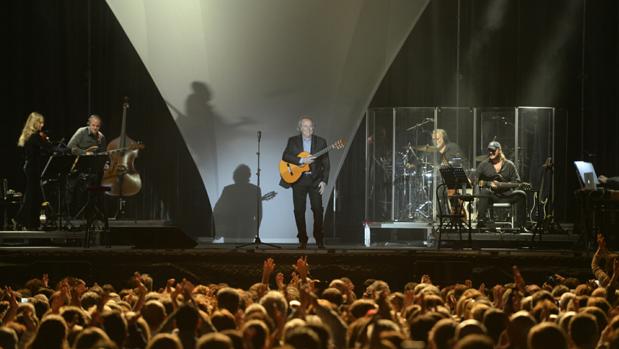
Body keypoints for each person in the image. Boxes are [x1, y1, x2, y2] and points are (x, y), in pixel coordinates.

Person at [280, 116, 329, 249]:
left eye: (311, 126)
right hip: (298, 180)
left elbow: (326, 164)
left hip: (315, 181)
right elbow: (285, 156)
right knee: (299, 211)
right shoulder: (293, 141)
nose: (308, 129)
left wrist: (324, 181)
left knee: (318, 210)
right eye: (305, 126)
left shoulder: (321, 142)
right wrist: (301, 161)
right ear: (300, 128)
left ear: (313, 128)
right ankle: (303, 240)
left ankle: (319, 239)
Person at [475, 141, 527, 230]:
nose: (490, 152)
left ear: (499, 150)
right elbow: (475, 180)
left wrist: (504, 185)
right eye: (489, 150)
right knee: (484, 192)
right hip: (491, 195)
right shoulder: (483, 165)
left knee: (521, 194)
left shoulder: (509, 165)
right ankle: (481, 223)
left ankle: (521, 226)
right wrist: (488, 184)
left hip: (507, 195)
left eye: (493, 150)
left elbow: (517, 181)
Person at [65, 115, 108, 219]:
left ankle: (89, 215)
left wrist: (104, 163)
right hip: (76, 166)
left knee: (91, 190)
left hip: (90, 169)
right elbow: (70, 147)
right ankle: (68, 215)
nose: (95, 128)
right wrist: (84, 153)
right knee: (70, 190)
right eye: (93, 125)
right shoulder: (81, 132)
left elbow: (102, 154)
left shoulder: (101, 137)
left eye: (97, 126)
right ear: (89, 124)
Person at [15, 112, 52, 230]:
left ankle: (27, 221)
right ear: (34, 123)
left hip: (30, 168)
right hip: (33, 169)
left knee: (32, 195)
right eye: (40, 122)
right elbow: (48, 148)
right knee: (31, 195)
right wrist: (47, 141)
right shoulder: (35, 136)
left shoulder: (29, 135)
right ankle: (21, 219)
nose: (42, 125)